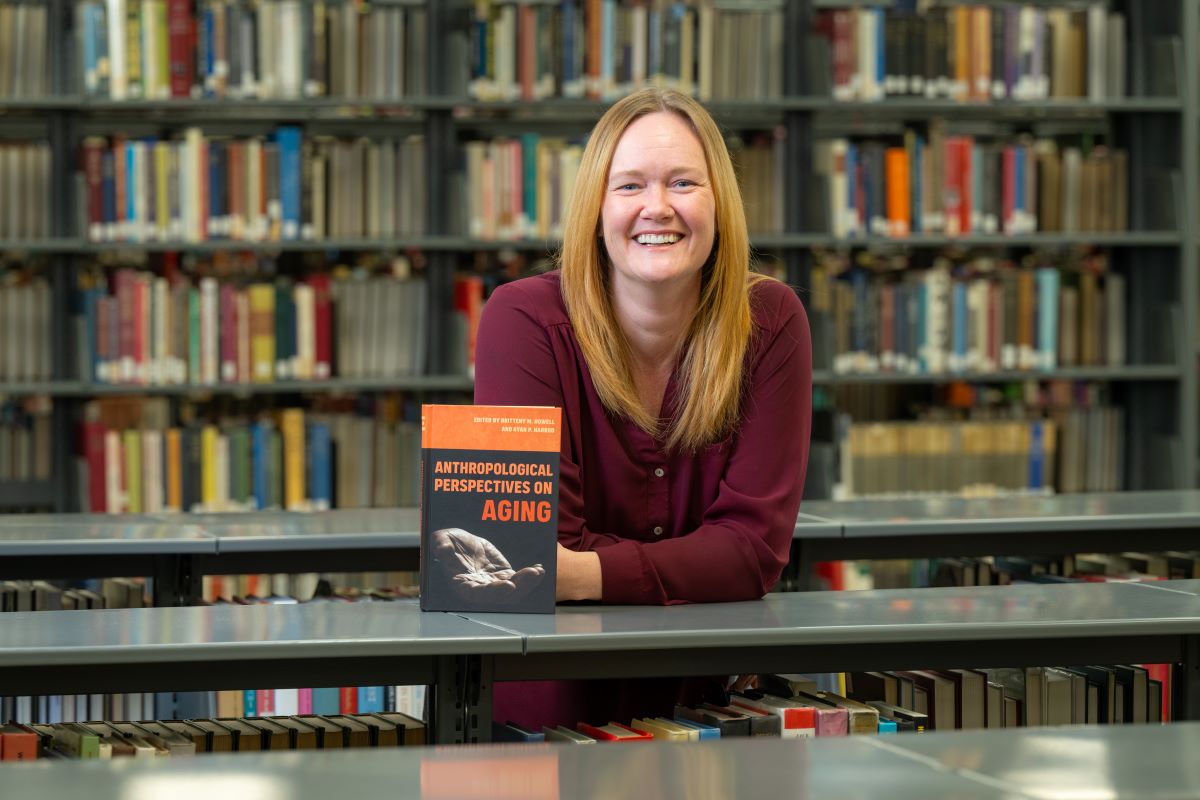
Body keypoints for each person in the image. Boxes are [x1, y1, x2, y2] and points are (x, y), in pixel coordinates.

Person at [474, 86, 812, 726]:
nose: (657, 207)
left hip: (707, 711)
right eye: (629, 185)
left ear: (719, 203)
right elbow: (535, 548)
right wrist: (698, 562)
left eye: (683, 182)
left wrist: (582, 573)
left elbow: (752, 553)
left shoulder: (770, 321)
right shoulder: (521, 320)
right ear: (596, 208)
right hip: (550, 711)